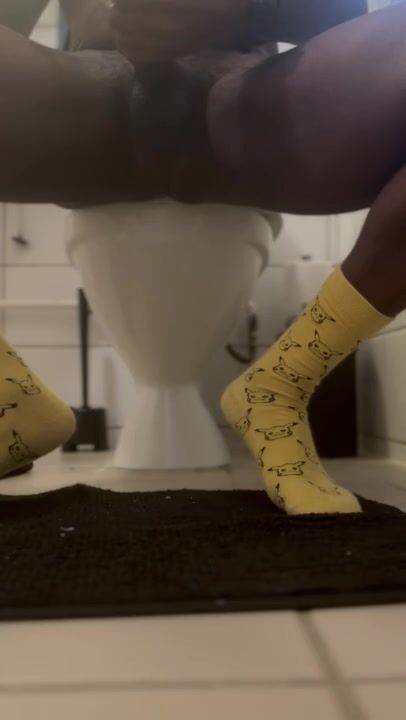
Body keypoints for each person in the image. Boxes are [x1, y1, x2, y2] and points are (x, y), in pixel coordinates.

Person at [0, 1, 402, 517]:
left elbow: (347, 20)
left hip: (248, 111)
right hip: (82, 105)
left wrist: (247, 14)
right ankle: (12, 398)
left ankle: (280, 385)